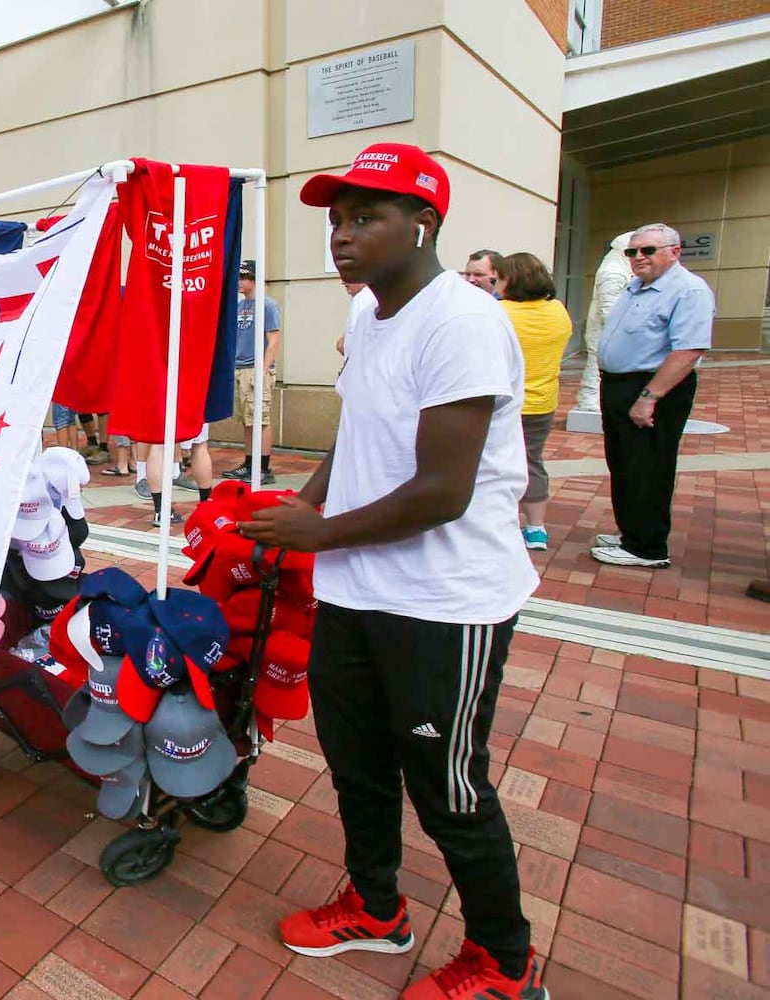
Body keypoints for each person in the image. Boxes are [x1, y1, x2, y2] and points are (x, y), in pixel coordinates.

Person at [242, 144, 546, 1000]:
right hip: (356, 590)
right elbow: (360, 440)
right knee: (358, 767)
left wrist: (319, 530)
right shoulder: (373, 316)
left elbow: (442, 492)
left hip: (442, 602)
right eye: (335, 220)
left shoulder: (462, 322)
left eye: (364, 218)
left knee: (447, 789)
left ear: (424, 224)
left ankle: (503, 962)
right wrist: (293, 519)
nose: (340, 237)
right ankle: (376, 908)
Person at [592, 222, 712, 569]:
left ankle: (648, 546)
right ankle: (632, 533)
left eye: (648, 250)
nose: (638, 257)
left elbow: (688, 350)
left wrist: (649, 396)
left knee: (647, 466)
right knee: (624, 462)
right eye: (632, 251)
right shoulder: (637, 286)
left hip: (652, 388)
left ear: (674, 252)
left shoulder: (689, 291)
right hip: (619, 385)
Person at [496, 253, 571, 552]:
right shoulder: (558, 311)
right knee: (532, 461)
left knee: (494, 466)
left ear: (511, 280)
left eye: (500, 278)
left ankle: (498, 526)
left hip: (504, 404)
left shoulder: (501, 312)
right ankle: (536, 529)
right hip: (543, 402)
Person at [224, 260, 281, 484]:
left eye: (243, 277)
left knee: (261, 418)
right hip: (240, 367)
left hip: (256, 368)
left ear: (254, 279)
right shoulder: (240, 306)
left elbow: (274, 339)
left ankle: (263, 468)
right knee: (247, 420)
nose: (239, 282)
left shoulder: (267, 304)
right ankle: (249, 463)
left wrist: (262, 371)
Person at [575, 232, 632, 413]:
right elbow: (609, 309)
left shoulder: (620, 268)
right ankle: (589, 401)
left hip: (610, 328)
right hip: (604, 329)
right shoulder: (613, 271)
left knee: (599, 366)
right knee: (595, 366)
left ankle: (592, 400)